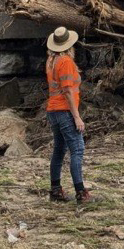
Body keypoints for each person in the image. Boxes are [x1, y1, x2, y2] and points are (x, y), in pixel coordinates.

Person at [45, 26, 91, 204]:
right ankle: (81, 191)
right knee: (77, 149)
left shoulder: (51, 60)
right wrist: (77, 116)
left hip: (53, 110)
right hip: (64, 110)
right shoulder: (65, 62)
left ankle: (56, 189)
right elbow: (68, 91)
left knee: (59, 150)